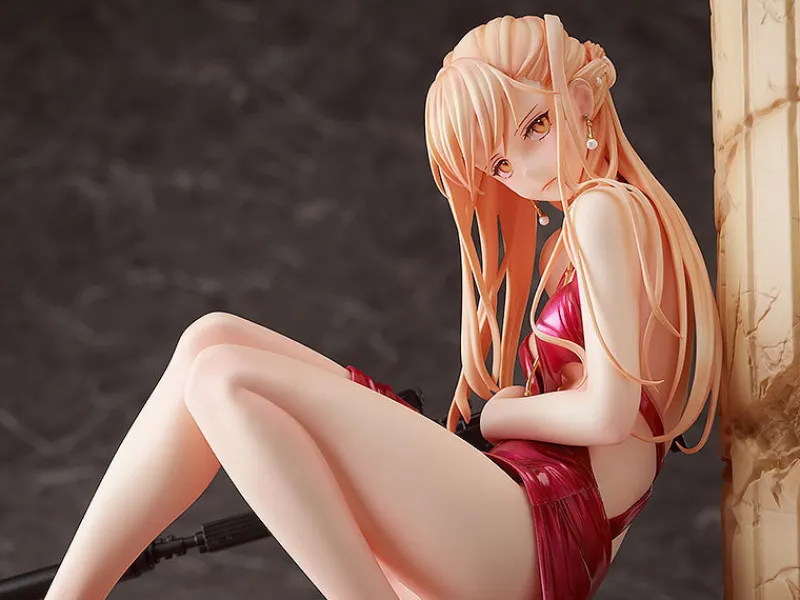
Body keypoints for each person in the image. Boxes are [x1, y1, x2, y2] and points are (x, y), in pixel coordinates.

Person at [43, 14, 721, 600]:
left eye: (535, 126)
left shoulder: (605, 210)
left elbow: (606, 414)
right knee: (209, 337)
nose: (527, 171)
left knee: (225, 378)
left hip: (538, 527)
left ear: (581, 95)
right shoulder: (605, 224)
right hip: (525, 507)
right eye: (499, 167)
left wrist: (501, 415)